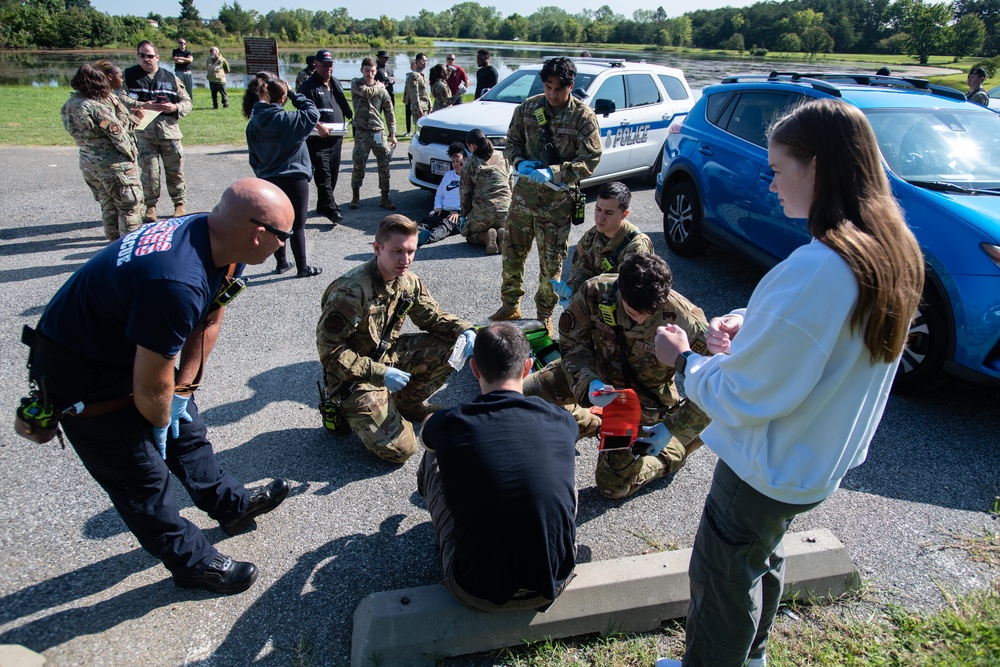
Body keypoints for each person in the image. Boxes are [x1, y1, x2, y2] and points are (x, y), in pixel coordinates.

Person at [653, 99, 924, 667]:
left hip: (766, 469)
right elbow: (828, 337)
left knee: (722, 574)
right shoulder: (890, 249)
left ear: (818, 167)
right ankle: (751, 656)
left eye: (777, 168)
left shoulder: (818, 268)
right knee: (761, 557)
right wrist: (754, 323)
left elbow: (745, 395)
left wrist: (683, 361)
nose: (769, 181)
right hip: (813, 462)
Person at [20, 178, 297, 595]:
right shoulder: (175, 281)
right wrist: (158, 417)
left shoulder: (225, 243)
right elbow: (150, 388)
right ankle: (192, 563)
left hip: (132, 347)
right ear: (259, 232)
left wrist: (184, 390)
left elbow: (210, 320)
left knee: (188, 434)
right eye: (284, 237)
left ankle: (230, 505)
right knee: (141, 477)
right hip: (80, 368)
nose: (284, 246)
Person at [417, 322, 578, 612]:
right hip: (554, 581)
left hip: (476, 590)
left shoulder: (453, 423)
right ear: (528, 367)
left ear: (475, 369)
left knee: (432, 456)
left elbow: (426, 436)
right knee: (559, 470)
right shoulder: (560, 418)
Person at [523, 253, 710, 500]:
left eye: (648, 314)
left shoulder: (688, 322)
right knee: (522, 396)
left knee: (611, 486)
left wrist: (671, 428)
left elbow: (715, 385)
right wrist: (588, 382)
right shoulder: (595, 292)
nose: (641, 320)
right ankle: (594, 423)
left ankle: (677, 448)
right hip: (595, 373)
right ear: (621, 290)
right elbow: (573, 345)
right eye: (633, 313)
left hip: (644, 398)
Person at [316, 214, 476, 464]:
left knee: (453, 346)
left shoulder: (407, 280)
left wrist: (465, 329)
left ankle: (407, 404)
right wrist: (381, 375)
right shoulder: (351, 291)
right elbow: (330, 352)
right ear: (377, 248)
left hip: (387, 355)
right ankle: (360, 411)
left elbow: (431, 316)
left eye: (411, 251)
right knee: (403, 450)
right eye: (397, 251)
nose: (406, 259)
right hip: (352, 376)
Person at [492, 56, 602, 335]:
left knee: (551, 263)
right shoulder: (528, 109)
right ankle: (510, 305)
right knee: (512, 254)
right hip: (523, 199)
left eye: (559, 88)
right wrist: (518, 162)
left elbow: (590, 160)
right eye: (548, 86)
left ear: (570, 85)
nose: (552, 94)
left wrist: (554, 172)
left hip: (557, 205)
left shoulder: (583, 116)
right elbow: (511, 144)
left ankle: (544, 316)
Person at [243, 71, 322, 278]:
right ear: (282, 98)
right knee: (298, 225)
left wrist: (262, 174)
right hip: (294, 177)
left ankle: (282, 263)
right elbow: (313, 112)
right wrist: (294, 93)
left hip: (269, 178)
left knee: (277, 224)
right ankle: (302, 268)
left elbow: (253, 157)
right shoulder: (289, 119)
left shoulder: (253, 123)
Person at [62, 63, 144, 242]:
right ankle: (128, 250)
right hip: (114, 166)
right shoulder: (95, 107)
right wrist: (134, 121)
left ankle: (112, 247)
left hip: (89, 164)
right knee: (129, 208)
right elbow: (119, 137)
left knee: (108, 207)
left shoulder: (69, 105)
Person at [550, 181, 653, 304]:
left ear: (624, 214)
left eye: (609, 212)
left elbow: (629, 292)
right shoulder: (592, 235)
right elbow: (582, 269)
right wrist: (571, 288)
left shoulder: (637, 246)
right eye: (598, 209)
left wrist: (585, 298)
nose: (600, 217)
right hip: (595, 305)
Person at [124, 40, 192, 222]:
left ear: (157, 57)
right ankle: (150, 207)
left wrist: (175, 107)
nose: (146, 59)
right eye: (142, 55)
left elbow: (187, 102)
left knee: (175, 171)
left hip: (169, 133)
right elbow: (119, 100)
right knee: (149, 173)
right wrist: (141, 105)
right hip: (144, 134)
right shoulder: (129, 76)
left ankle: (179, 205)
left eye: (150, 56)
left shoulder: (170, 77)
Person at [298, 49, 353, 225]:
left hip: (336, 139)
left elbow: (344, 105)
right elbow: (301, 110)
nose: (328, 68)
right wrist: (318, 125)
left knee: (333, 174)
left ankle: (323, 205)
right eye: (324, 65)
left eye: (330, 65)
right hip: (317, 140)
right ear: (317, 65)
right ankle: (331, 209)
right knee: (324, 175)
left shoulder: (334, 82)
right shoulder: (309, 86)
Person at [350, 57, 397, 210]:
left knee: (384, 165)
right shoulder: (357, 83)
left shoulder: (382, 91)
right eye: (367, 71)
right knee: (358, 165)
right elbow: (367, 92)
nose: (370, 74)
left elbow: (389, 111)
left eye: (372, 71)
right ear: (361, 70)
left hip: (378, 131)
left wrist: (393, 133)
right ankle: (355, 196)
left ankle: (385, 197)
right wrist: (381, 86)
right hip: (362, 132)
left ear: (376, 71)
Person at [460, 128, 511, 254]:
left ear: (472, 146)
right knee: (503, 224)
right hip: (505, 211)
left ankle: (485, 237)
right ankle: (501, 234)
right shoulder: (503, 157)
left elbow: (465, 192)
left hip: (482, 213)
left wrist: (463, 215)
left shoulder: (470, 163)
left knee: (469, 234)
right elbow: (510, 184)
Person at [416, 142, 465, 247]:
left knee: (443, 227)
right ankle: (408, 235)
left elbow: (472, 200)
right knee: (426, 222)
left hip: (457, 215)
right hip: (442, 211)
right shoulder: (448, 175)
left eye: (458, 161)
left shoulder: (469, 178)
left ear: (465, 160)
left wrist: (459, 212)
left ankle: (425, 238)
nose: (456, 164)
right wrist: (437, 207)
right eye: (453, 162)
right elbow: (439, 195)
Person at [405, 53, 431, 125]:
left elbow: (426, 92)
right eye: (422, 61)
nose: (424, 63)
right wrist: (418, 107)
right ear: (416, 62)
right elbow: (414, 93)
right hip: (419, 107)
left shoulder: (424, 75)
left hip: (426, 106)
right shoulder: (414, 75)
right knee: (419, 128)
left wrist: (430, 105)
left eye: (426, 61)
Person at [402, 58, 416, 136]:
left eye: (412, 64)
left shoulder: (418, 75)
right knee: (407, 114)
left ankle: (415, 131)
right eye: (410, 64)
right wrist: (404, 96)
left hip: (414, 98)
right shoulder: (408, 74)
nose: (411, 66)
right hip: (408, 97)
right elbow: (406, 87)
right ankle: (408, 130)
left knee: (415, 115)